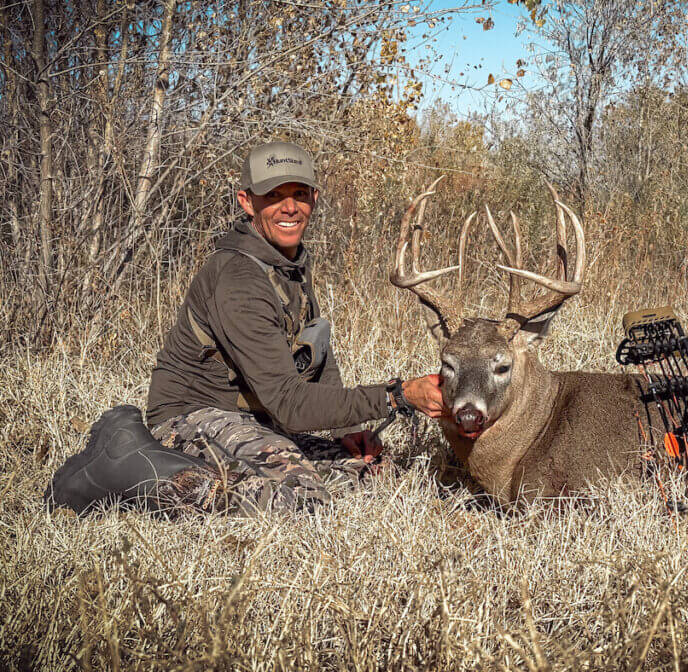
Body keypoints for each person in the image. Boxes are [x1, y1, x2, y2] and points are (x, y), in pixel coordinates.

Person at [46, 142, 444, 515]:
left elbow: (316, 354)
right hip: (191, 417)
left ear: (314, 199)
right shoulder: (238, 277)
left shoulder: (288, 263)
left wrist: (349, 429)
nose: (289, 208)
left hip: (254, 419)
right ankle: (129, 468)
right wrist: (397, 395)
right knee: (300, 501)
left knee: (369, 470)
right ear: (246, 202)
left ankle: (208, 471)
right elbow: (289, 403)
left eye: (299, 195)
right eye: (273, 196)